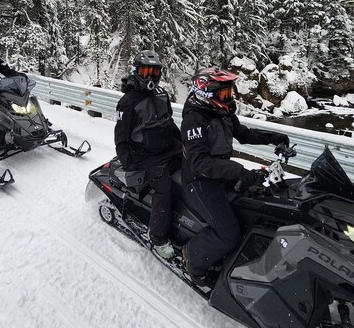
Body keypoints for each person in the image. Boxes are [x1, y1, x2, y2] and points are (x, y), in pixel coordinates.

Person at [180, 66, 290, 286]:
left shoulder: (223, 112)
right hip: (199, 180)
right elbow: (200, 162)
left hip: (220, 173)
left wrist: (274, 137)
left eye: (229, 92)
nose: (228, 97)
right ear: (206, 92)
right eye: (223, 93)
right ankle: (192, 260)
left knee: (257, 203)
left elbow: (244, 134)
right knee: (228, 232)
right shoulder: (195, 119)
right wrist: (237, 170)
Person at [114, 50, 182, 259]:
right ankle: (158, 237)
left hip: (169, 147)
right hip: (146, 155)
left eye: (155, 72)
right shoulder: (128, 102)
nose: (151, 77)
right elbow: (121, 136)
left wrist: (186, 144)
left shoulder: (162, 94)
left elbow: (169, 123)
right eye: (146, 72)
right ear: (136, 72)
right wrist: (129, 162)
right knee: (164, 189)